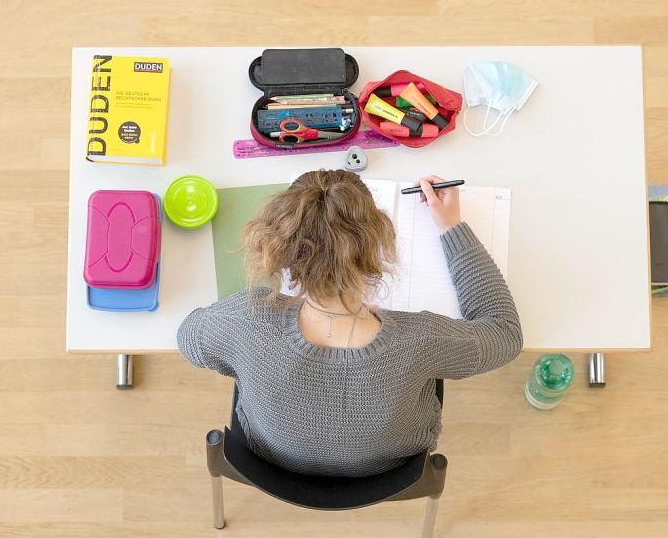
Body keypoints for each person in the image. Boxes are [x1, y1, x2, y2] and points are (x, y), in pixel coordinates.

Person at [178, 170, 522, 477]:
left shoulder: (246, 319)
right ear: (376, 252)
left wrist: (248, 361)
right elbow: (505, 333)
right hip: (390, 468)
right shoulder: (420, 340)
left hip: (270, 458)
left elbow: (188, 336)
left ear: (280, 249)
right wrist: (453, 227)